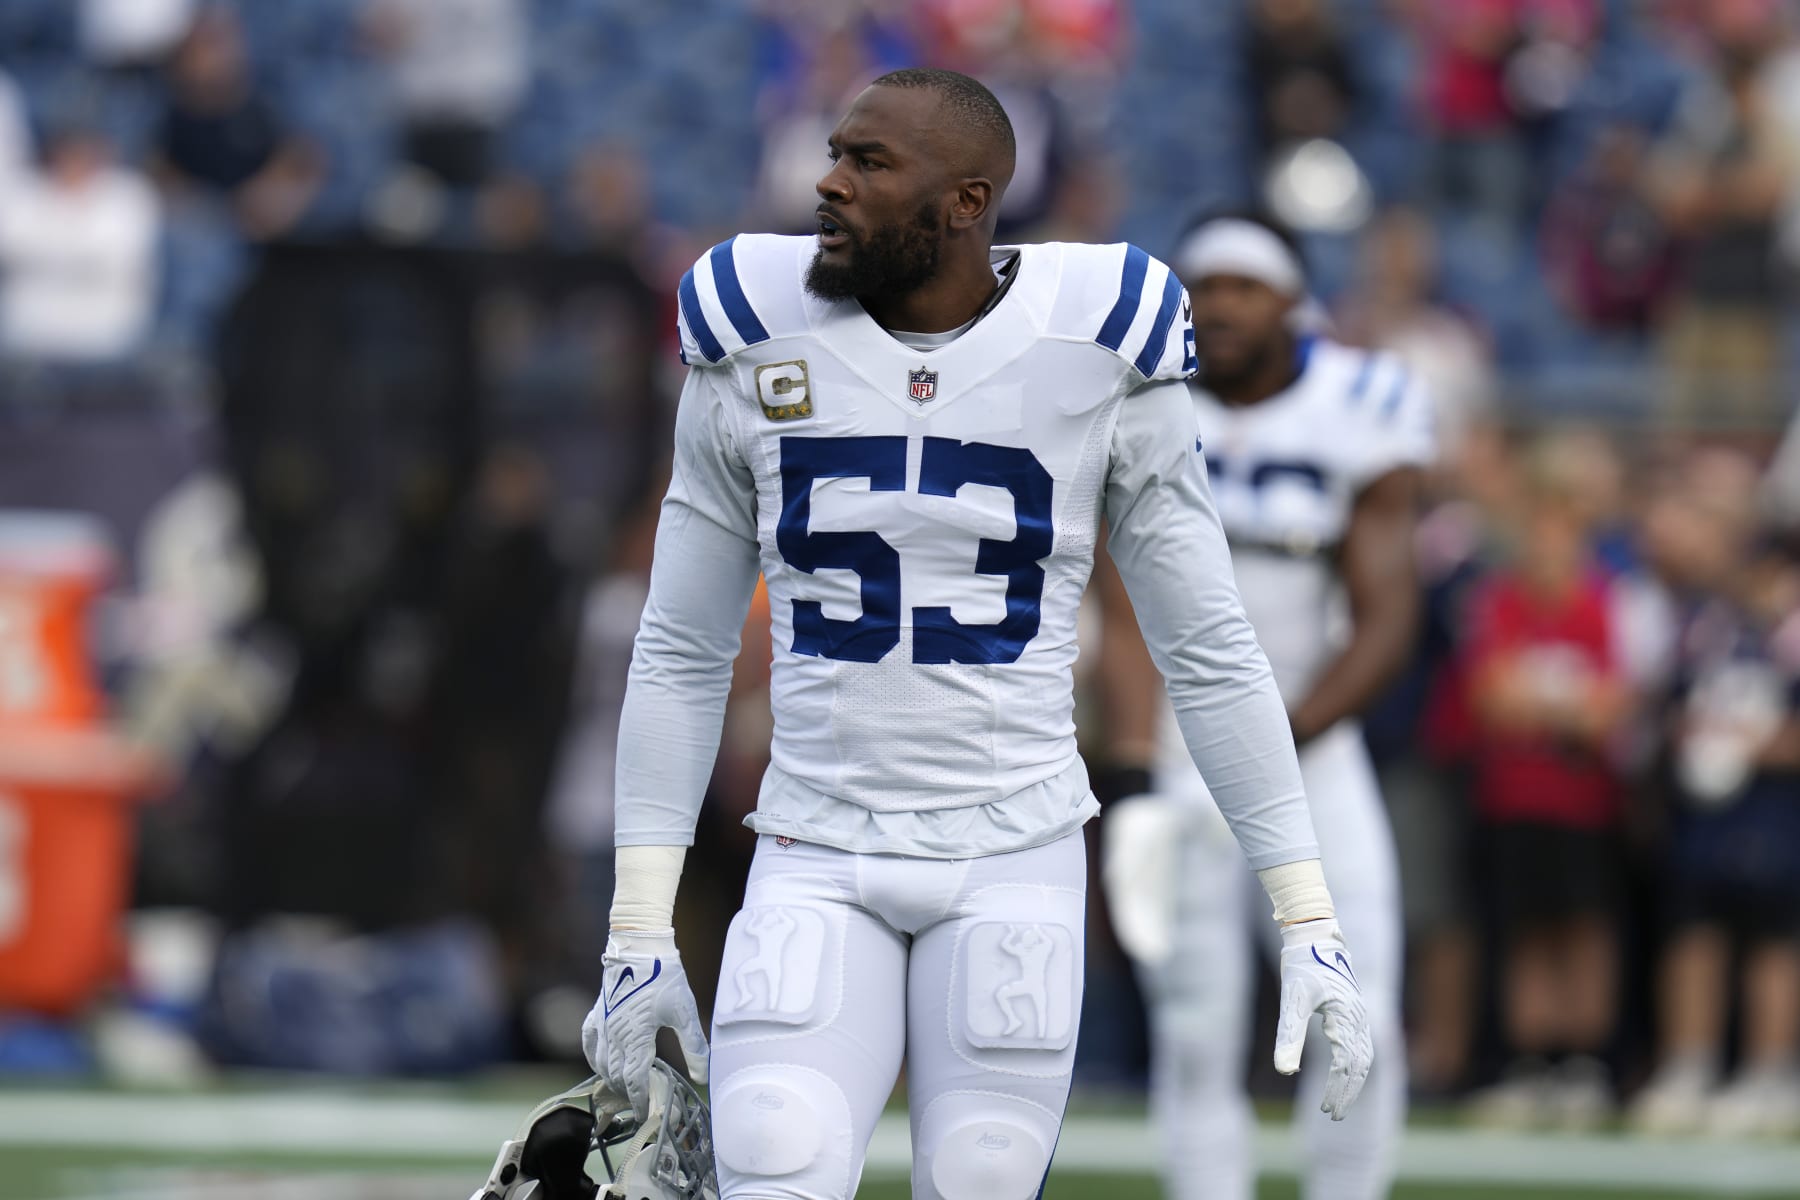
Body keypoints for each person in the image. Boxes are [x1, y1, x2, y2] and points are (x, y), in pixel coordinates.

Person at [579, 68, 1373, 1199]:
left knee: (985, 1180)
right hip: (815, 842)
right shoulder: (751, 332)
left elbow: (1209, 648)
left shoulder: (1101, 345)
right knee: (774, 1159)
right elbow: (681, 648)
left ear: (968, 201)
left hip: (1013, 852)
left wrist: (1306, 913)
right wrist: (636, 928)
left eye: (869, 163)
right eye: (836, 153)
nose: (829, 182)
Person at [1098, 212, 1428, 1200]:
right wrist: (1135, 762)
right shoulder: (1147, 401)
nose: (1222, 303)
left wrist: (1269, 748)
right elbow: (1118, 598)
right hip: (1178, 752)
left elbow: (1385, 615)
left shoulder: (1362, 400)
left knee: (1355, 1006)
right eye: (1206, 283)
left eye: (1247, 284)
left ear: (1292, 299)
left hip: (1311, 745)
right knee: (1196, 1027)